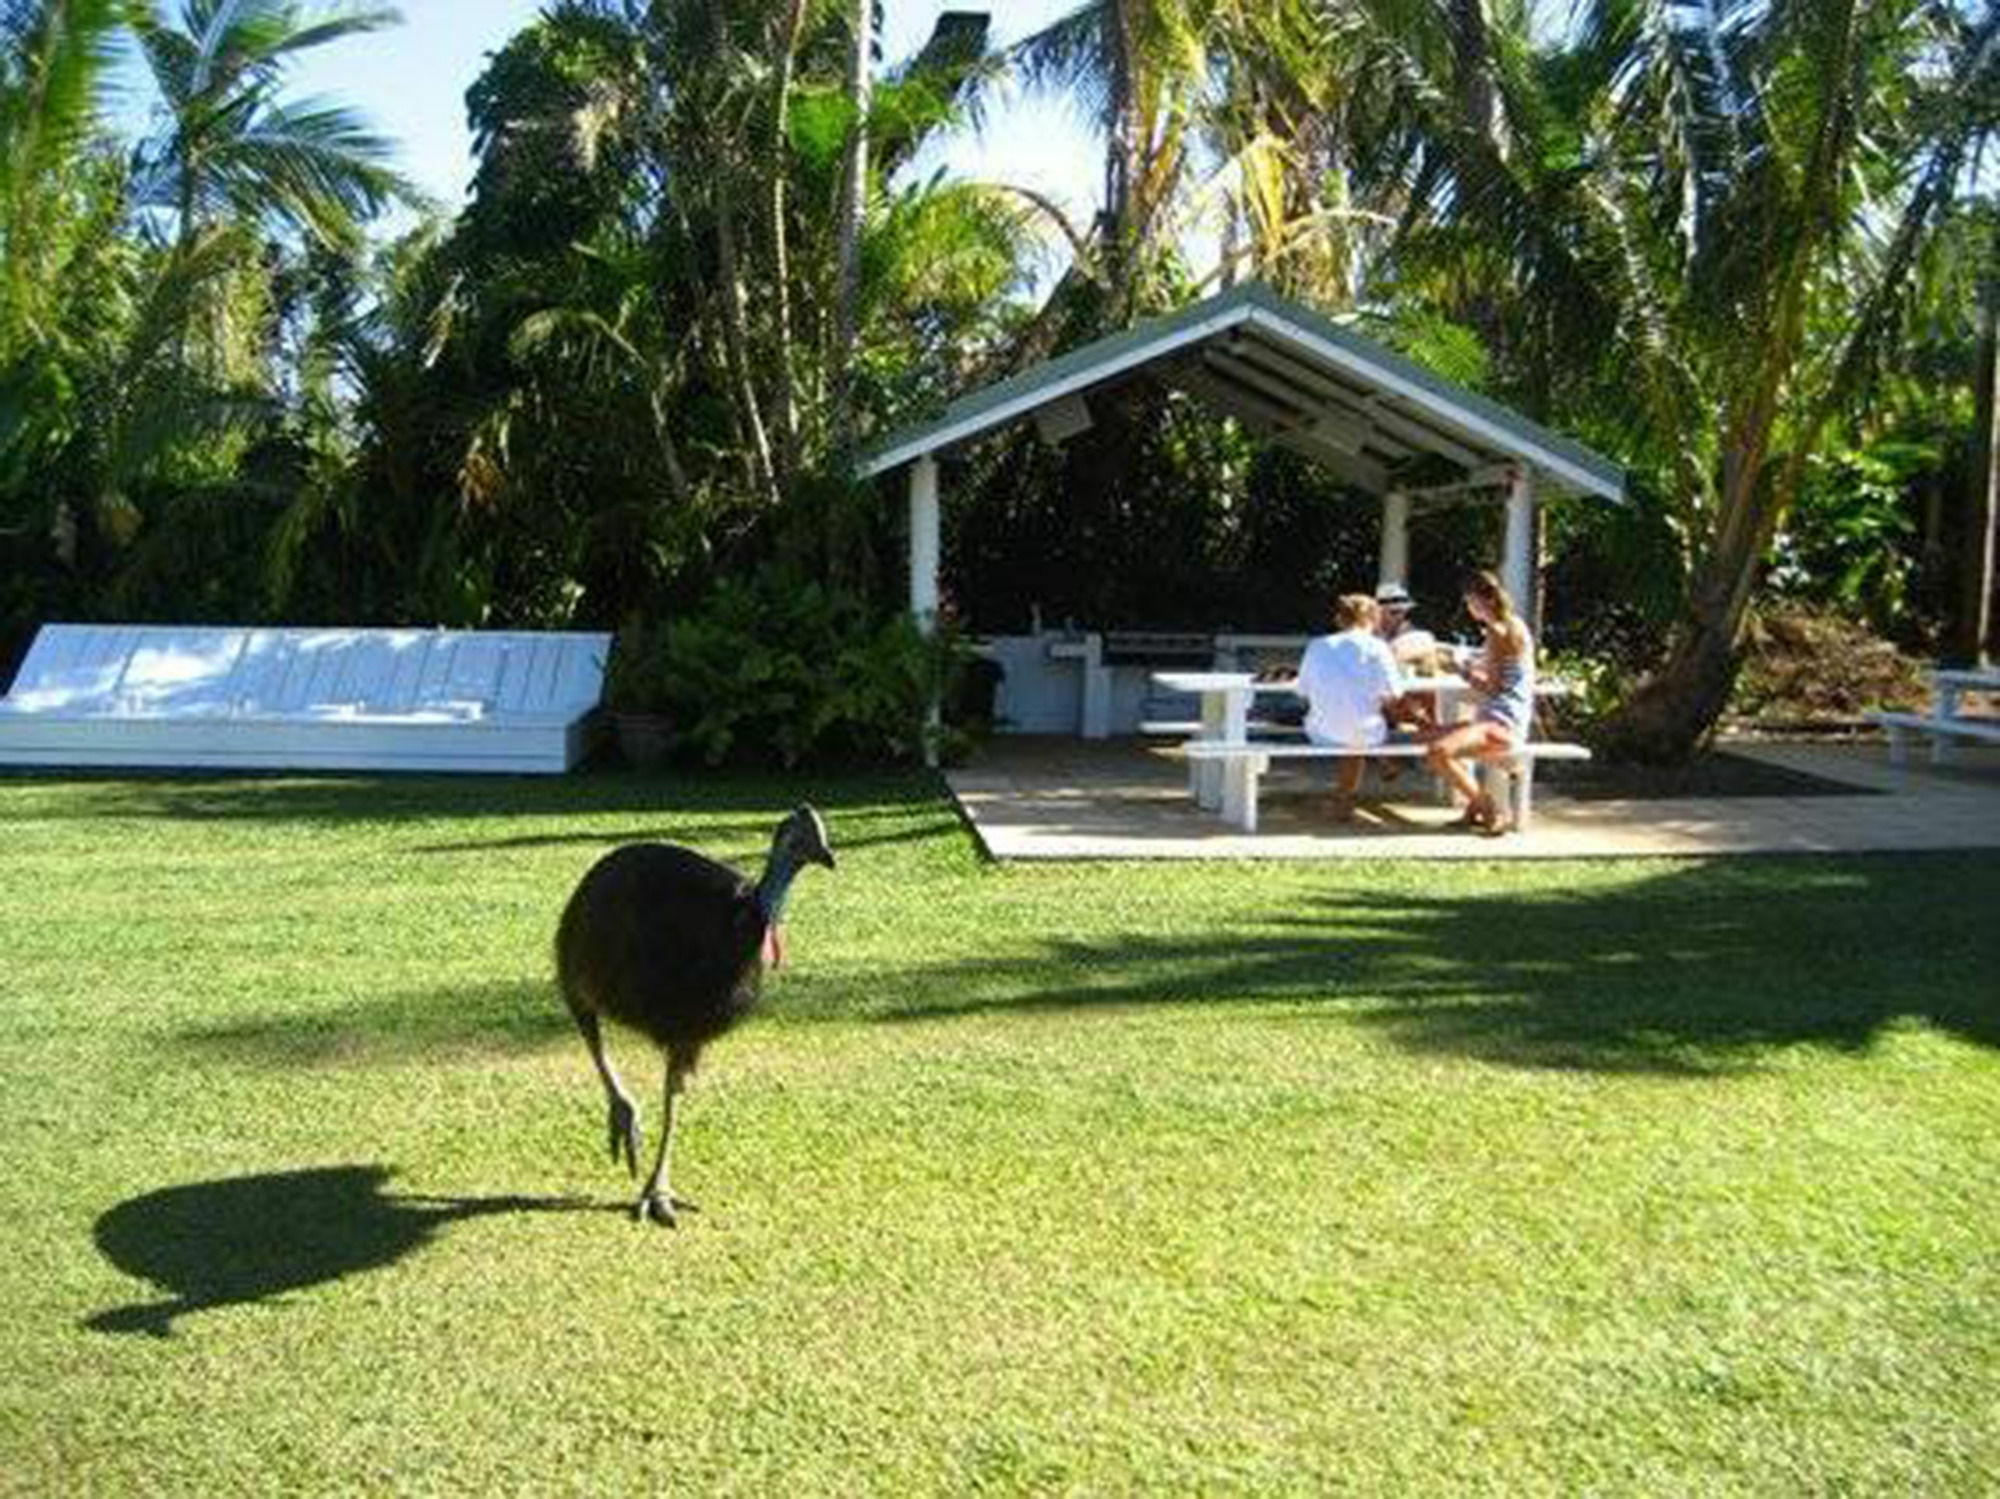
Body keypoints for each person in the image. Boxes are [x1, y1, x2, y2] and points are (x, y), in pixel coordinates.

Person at [1424, 569, 1536, 833]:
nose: (1468, 608)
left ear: (1477, 600)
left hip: (1501, 722)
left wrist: (1459, 670)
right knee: (1429, 735)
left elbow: (1492, 688)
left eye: (1468, 602)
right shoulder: (1514, 625)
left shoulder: (1497, 631)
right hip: (1503, 718)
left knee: (1438, 752)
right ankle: (1474, 809)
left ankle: (1487, 807)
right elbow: (1506, 672)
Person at [1296, 593, 1415, 820]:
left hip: (1321, 731)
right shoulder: (1378, 648)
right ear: (1374, 618)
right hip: (1365, 731)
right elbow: (1395, 692)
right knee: (1360, 727)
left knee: (1353, 722)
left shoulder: (1317, 646)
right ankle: (1345, 799)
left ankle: (1349, 795)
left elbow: (1302, 690)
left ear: (1340, 619)